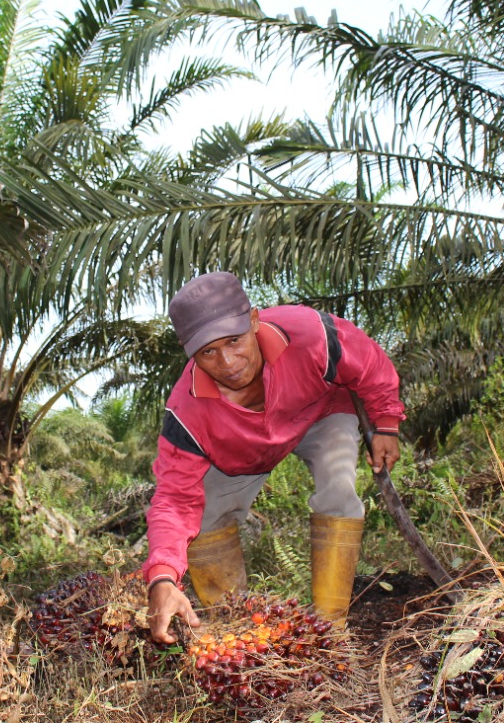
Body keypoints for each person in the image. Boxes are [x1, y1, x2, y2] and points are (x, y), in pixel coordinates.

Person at [144, 271, 404, 644]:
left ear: (254, 321)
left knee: (339, 492)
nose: (228, 362)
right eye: (208, 353)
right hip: (241, 455)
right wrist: (163, 577)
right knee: (203, 520)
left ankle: (329, 633)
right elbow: (172, 500)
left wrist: (386, 422)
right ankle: (236, 635)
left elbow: (367, 362)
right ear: (191, 355)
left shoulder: (310, 334)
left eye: (235, 341)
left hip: (319, 412)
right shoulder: (186, 414)